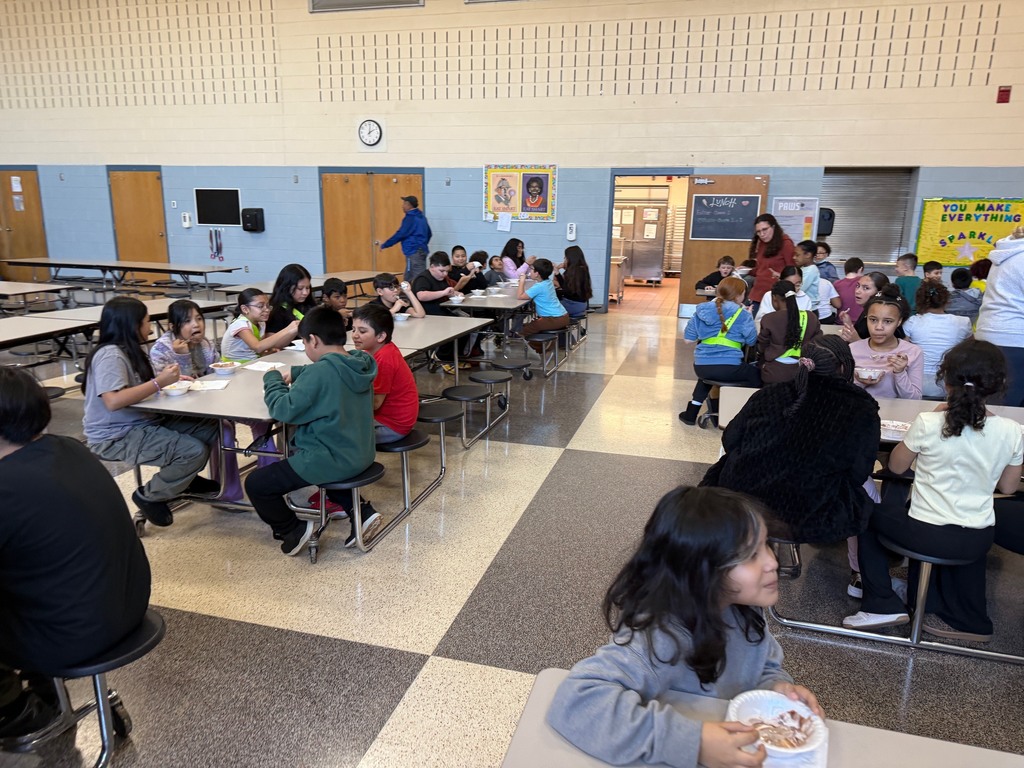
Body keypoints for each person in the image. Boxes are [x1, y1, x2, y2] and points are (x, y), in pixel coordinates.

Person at [546, 485, 822, 768]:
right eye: (750, 555)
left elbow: (764, 666)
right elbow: (576, 701)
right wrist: (695, 743)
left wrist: (775, 690)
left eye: (766, 545)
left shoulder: (745, 610)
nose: (772, 562)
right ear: (704, 570)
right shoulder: (659, 636)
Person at [0, 368, 151, 739]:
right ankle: (44, 687)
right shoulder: (69, 449)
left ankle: (15, 711)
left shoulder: (7, 486)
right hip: (128, 606)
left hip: (74, 635)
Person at [843, 340, 1023, 638]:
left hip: (925, 534)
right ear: (998, 384)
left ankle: (880, 602)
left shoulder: (929, 422)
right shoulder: (1012, 430)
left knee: (866, 512)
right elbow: (1008, 486)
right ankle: (941, 603)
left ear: (946, 381)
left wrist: (932, 419)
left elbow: (896, 467)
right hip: (978, 539)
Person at [701, 336, 879, 545]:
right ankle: (861, 563)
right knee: (868, 498)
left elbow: (730, 439)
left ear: (803, 362)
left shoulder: (769, 394)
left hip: (742, 501)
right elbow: (860, 471)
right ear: (843, 366)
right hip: (807, 514)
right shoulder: (861, 408)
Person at [244, 307, 381, 555]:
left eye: (305, 342)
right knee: (315, 456)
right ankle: (362, 512)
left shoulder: (320, 373)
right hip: (360, 450)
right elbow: (330, 369)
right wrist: (298, 372)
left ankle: (292, 530)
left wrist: (272, 379)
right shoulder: (360, 362)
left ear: (313, 340)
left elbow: (283, 410)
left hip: (332, 457)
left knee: (256, 484)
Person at [80, 296, 220, 526]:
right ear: (132, 325)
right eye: (146, 322)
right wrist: (159, 383)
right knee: (192, 452)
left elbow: (138, 387)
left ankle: (182, 478)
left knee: (209, 426)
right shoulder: (110, 355)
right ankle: (149, 495)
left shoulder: (130, 350)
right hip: (116, 434)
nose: (150, 327)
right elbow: (113, 400)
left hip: (144, 421)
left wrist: (167, 381)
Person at [679, 276, 759, 426]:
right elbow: (751, 341)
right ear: (739, 295)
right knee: (757, 375)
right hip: (730, 367)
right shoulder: (743, 315)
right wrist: (748, 317)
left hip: (701, 367)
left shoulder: (701, 311)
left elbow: (688, 339)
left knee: (707, 376)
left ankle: (691, 414)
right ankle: (748, 416)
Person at [351, 303, 419, 444]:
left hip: (391, 426)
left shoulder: (384, 359)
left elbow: (375, 403)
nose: (355, 335)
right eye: (353, 329)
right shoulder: (378, 349)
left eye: (362, 331)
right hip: (388, 419)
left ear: (381, 336)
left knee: (334, 433)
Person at [975, 226, 1024, 407]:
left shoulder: (1008, 253)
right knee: (1010, 408)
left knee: (994, 404)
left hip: (989, 334)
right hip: (1014, 339)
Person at [849, 288, 923, 400]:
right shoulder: (852, 349)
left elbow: (915, 399)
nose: (878, 327)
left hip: (898, 411)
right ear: (866, 318)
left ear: (899, 321)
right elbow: (843, 395)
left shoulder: (913, 352)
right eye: (873, 320)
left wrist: (900, 372)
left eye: (888, 321)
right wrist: (860, 382)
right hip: (859, 410)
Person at [903, 282, 972, 398]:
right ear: (947, 300)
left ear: (919, 301)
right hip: (950, 383)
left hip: (917, 382)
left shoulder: (912, 322)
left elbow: (902, 351)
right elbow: (971, 351)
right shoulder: (963, 322)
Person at [756, 280, 822, 385]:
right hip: (803, 373)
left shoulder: (768, 319)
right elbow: (818, 342)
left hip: (774, 374)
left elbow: (762, 347)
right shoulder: (811, 317)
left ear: (774, 298)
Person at [221, 288, 299, 362]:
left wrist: (269, 352)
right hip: (235, 366)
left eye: (268, 306)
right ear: (245, 309)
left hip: (253, 362)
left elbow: (261, 350)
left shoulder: (261, 323)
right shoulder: (240, 324)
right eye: (260, 306)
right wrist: (287, 329)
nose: (267, 310)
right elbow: (257, 347)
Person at [149, 299, 218, 379]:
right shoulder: (160, 351)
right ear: (173, 327)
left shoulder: (206, 344)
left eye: (199, 318)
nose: (196, 324)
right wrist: (182, 356)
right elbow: (164, 383)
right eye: (187, 321)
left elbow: (217, 373)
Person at [838, 271, 907, 342]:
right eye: (858, 286)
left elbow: (883, 346)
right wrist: (848, 323)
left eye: (866, 288)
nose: (857, 291)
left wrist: (857, 341)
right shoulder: (867, 310)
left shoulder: (885, 315)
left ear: (879, 292)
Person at [747, 213, 795, 310]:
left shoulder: (786, 243)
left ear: (773, 227)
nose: (762, 234)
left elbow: (793, 271)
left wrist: (780, 276)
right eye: (758, 232)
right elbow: (761, 268)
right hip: (757, 293)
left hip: (775, 297)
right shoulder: (761, 243)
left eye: (765, 229)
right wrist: (747, 270)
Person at [380, 195, 432, 281]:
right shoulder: (422, 217)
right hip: (421, 250)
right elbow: (429, 233)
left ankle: (416, 289)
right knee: (409, 276)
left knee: (417, 278)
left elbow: (400, 234)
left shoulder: (410, 218)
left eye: (404, 203)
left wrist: (385, 244)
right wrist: (422, 244)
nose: (402, 206)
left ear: (408, 205)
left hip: (413, 251)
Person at [516, 257, 569, 339]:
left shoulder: (539, 286)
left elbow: (520, 296)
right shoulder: (548, 282)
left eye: (532, 269)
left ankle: (535, 346)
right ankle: (546, 344)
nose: (530, 271)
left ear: (537, 273)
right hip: (563, 316)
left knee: (522, 330)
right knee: (529, 326)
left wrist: (522, 281)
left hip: (554, 319)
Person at [266, 263, 315, 334]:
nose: (305, 293)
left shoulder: (310, 305)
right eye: (300, 288)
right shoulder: (276, 311)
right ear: (286, 287)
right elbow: (270, 338)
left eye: (307, 288)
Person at [413, 251, 458, 316]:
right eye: (442, 271)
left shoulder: (442, 278)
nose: (445, 274)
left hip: (443, 312)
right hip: (429, 315)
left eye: (447, 271)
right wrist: (443, 293)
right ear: (432, 267)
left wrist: (455, 294)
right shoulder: (423, 278)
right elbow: (421, 296)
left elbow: (446, 292)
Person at [554, 244, 593, 317]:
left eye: (565, 258)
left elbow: (566, 289)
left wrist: (557, 273)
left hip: (573, 304)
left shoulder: (577, 271)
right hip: (581, 304)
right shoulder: (581, 268)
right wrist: (558, 272)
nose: (564, 260)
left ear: (570, 258)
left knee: (547, 306)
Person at [833, 257, 865, 323]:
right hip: (860, 322)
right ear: (860, 269)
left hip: (841, 321)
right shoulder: (864, 283)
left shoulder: (836, 284)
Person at [792, 239, 820, 311]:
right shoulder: (803, 268)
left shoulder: (811, 270)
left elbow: (799, 288)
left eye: (797, 255)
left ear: (808, 255)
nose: (794, 257)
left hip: (809, 309)